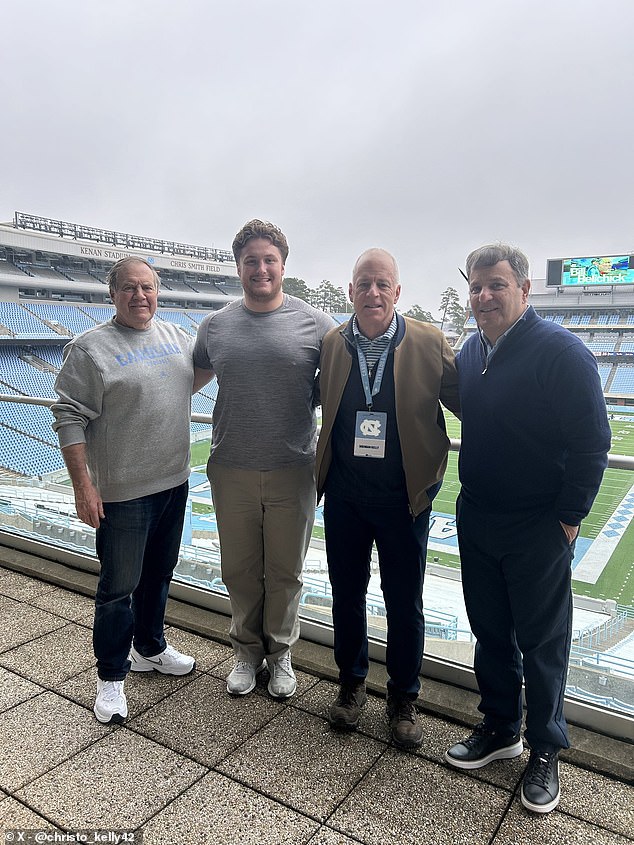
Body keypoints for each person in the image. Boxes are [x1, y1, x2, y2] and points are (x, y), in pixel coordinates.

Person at [445, 244, 611, 813]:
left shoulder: (562, 353)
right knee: (490, 632)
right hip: (479, 515)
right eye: (476, 288)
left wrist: (568, 520)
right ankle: (501, 727)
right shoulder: (471, 351)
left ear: (524, 289)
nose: (484, 296)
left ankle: (545, 748)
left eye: (496, 285)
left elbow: (593, 442)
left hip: (539, 524)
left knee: (542, 643)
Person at [52, 257, 210, 724]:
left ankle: (150, 647)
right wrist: (84, 486)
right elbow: (68, 417)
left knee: (160, 574)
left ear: (158, 292)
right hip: (122, 493)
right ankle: (111, 678)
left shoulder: (176, 337)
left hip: (173, 481)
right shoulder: (90, 350)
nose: (140, 296)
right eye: (129, 289)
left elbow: (190, 379)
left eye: (148, 288)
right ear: (113, 294)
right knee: (118, 588)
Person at [315, 248, 460, 748]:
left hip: (405, 501)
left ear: (397, 292)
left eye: (382, 285)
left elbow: (470, 404)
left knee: (404, 604)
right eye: (363, 284)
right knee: (346, 598)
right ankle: (351, 686)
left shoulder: (428, 341)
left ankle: (403, 697)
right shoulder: (334, 343)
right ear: (349, 291)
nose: (372, 293)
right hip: (346, 499)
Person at [193, 220, 335, 699]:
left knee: (285, 571)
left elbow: (335, 387)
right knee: (238, 566)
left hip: (293, 467)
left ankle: (281, 654)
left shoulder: (316, 323)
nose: (260, 268)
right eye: (250, 260)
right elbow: (189, 377)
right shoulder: (215, 325)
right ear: (238, 267)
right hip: (230, 463)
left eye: (268, 259)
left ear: (283, 265)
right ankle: (246, 652)